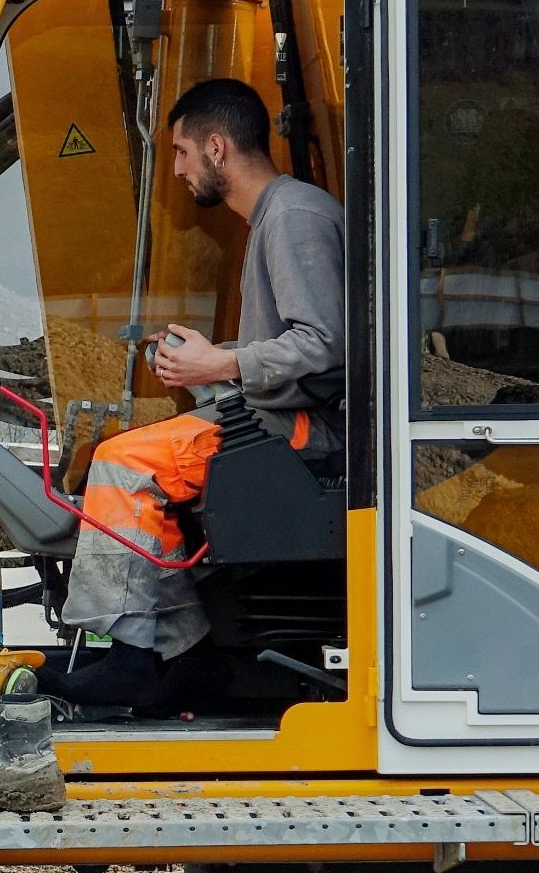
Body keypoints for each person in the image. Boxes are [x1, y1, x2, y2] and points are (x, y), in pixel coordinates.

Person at [42, 76, 346, 713]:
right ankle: (185, 658)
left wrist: (222, 363)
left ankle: (135, 658)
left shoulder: (292, 217)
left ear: (216, 147)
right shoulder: (281, 214)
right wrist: (209, 361)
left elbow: (325, 344)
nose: (176, 169)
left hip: (296, 430)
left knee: (123, 464)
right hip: (277, 413)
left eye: (180, 152)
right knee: (136, 465)